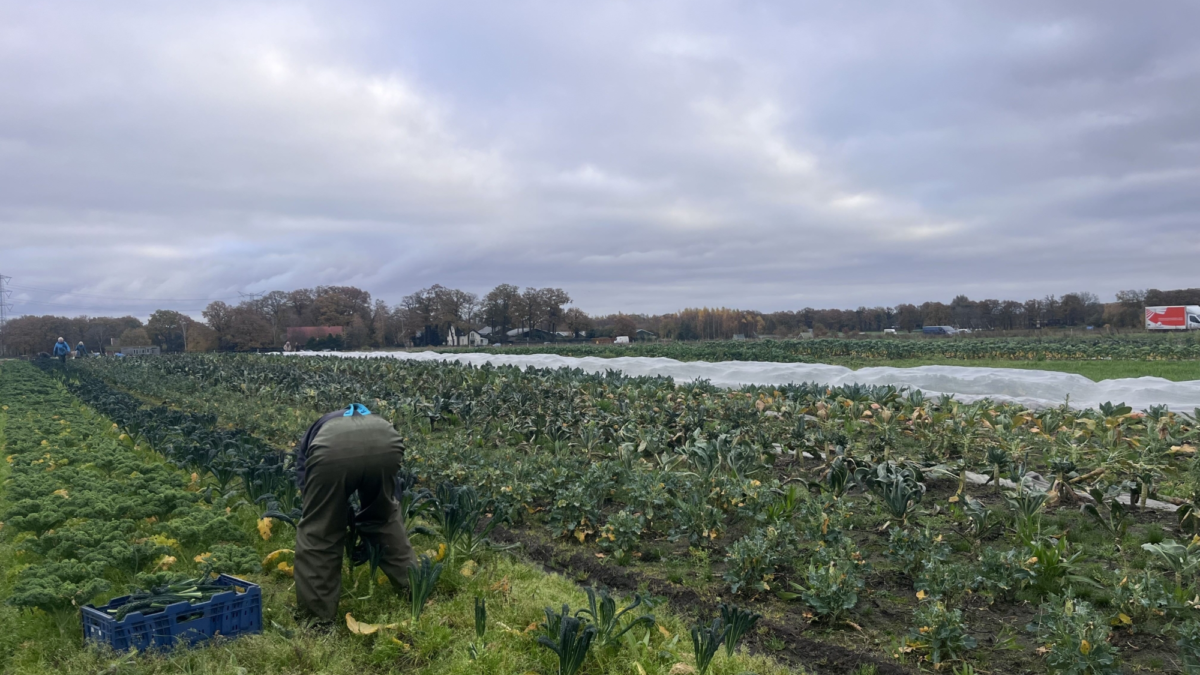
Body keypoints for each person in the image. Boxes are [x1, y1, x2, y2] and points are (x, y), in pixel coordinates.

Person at [293, 403, 416, 622]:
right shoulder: (369, 420)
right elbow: (391, 495)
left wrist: (336, 519)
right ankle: (416, 591)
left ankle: (317, 619)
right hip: (385, 437)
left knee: (319, 531)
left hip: (332, 446)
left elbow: (311, 496)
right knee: (384, 519)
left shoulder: (312, 438)